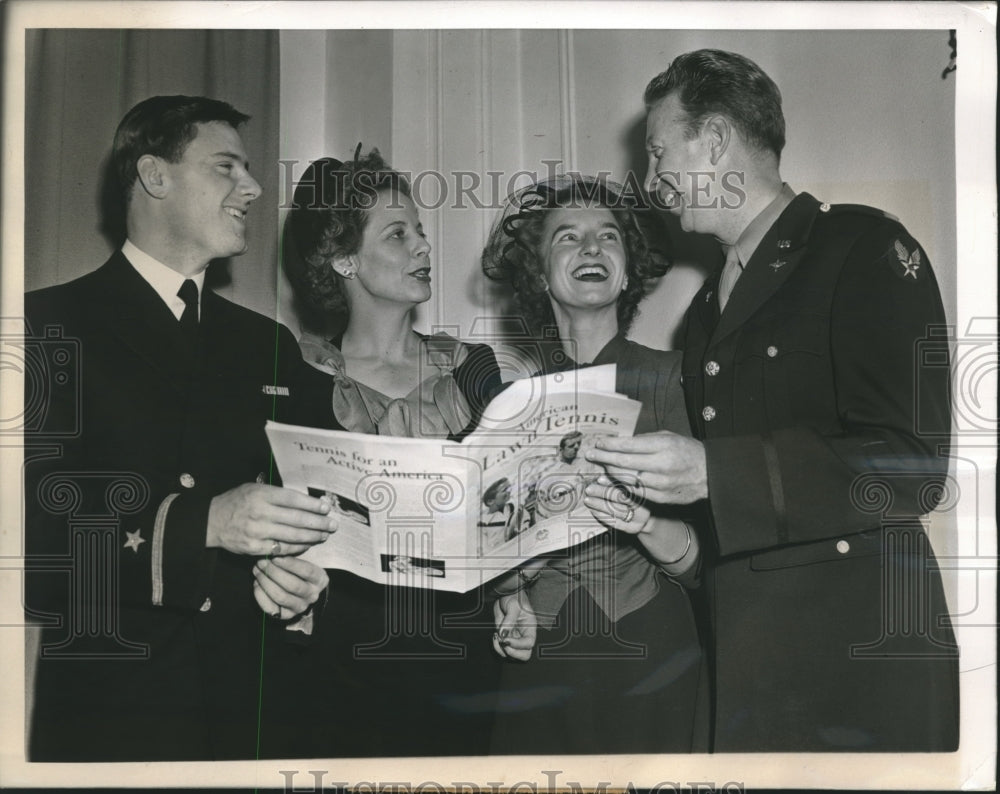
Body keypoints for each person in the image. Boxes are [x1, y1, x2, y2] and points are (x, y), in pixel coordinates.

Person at [589, 49, 959, 752]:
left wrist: (712, 472)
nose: (652, 179)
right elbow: (736, 540)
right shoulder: (704, 312)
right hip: (751, 680)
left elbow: (913, 466)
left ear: (716, 139)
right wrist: (651, 524)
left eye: (660, 153)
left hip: (860, 669)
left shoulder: (860, 246)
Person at [23, 95, 339, 761]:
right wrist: (207, 524)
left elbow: (318, 511)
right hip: (116, 719)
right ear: (154, 175)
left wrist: (305, 587)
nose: (252, 188)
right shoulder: (45, 327)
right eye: (226, 167)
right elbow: (30, 543)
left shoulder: (268, 345)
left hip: (254, 712)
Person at [282, 149, 504, 756]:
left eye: (421, 232)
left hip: (464, 649)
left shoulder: (472, 368)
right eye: (398, 234)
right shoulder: (298, 377)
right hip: (342, 660)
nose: (424, 247)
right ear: (345, 259)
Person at [481, 174, 708, 754]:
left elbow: (707, 566)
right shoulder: (510, 405)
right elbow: (493, 559)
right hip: (540, 653)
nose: (590, 247)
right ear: (539, 274)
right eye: (567, 236)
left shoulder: (675, 378)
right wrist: (510, 593)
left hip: (650, 648)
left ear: (627, 272)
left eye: (608, 236)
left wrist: (645, 523)